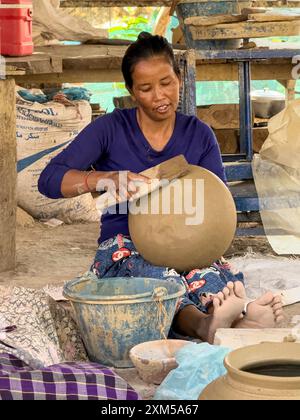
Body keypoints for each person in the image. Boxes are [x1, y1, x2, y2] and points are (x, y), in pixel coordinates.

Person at [38, 32, 283, 344]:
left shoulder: (199, 135)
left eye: (167, 82)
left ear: (178, 77)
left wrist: (201, 244)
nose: (159, 95)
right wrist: (104, 179)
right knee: (156, 280)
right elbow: (49, 180)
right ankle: (208, 326)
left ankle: (233, 319)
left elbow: (215, 207)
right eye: (146, 88)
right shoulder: (111, 129)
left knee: (204, 276)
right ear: (131, 91)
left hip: (188, 241)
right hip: (126, 245)